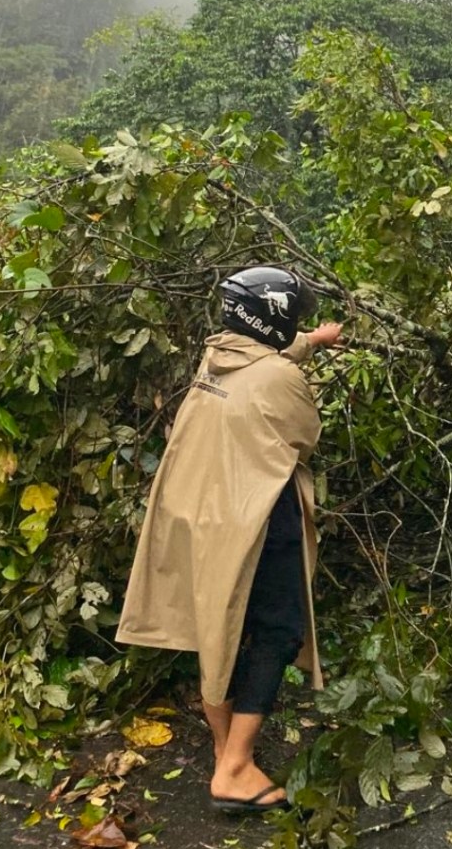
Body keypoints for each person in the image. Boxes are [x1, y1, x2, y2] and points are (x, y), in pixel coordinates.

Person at [117, 266, 342, 814]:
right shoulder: (279, 380)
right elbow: (304, 436)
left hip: (202, 516)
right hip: (258, 517)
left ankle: (224, 750)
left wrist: (310, 342)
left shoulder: (215, 357)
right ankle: (237, 768)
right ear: (274, 317)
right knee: (280, 630)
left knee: (216, 630)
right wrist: (303, 355)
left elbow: (268, 359)